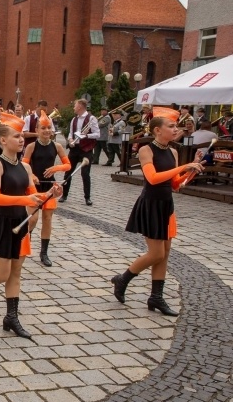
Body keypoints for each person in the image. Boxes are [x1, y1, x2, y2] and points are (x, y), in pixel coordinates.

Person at [0, 112, 60, 339]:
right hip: (2, 223)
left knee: (15, 273)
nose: (21, 140)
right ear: (3, 140)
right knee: (2, 273)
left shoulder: (25, 168)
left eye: (22, 136)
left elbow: (32, 196)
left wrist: (50, 193)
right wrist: (24, 200)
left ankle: (11, 317)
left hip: (21, 223)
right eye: (16, 136)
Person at [110, 108, 203, 316]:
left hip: (166, 205)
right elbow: (153, 178)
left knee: (165, 254)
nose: (175, 129)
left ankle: (156, 297)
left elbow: (176, 185)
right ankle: (122, 279)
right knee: (156, 253)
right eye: (171, 126)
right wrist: (183, 167)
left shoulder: (173, 151)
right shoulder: (146, 150)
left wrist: (190, 172)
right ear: (157, 130)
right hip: (150, 204)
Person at [22, 113, 70, 267]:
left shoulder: (57, 146)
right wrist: (33, 175)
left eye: (49, 127)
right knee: (33, 219)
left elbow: (68, 165)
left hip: (49, 187)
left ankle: (44, 252)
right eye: (43, 128)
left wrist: (56, 168)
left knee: (47, 220)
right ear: (37, 129)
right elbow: (24, 165)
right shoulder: (31, 146)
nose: (47, 130)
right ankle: (24, 243)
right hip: (34, 187)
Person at [59, 99, 99, 205]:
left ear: (80, 106)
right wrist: (71, 140)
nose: (73, 107)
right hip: (75, 149)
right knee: (68, 171)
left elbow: (97, 134)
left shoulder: (91, 119)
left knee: (85, 174)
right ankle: (64, 195)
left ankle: (87, 197)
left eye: (75, 105)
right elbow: (71, 133)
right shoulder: (74, 119)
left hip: (86, 149)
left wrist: (85, 135)